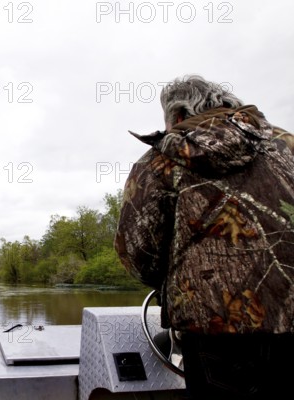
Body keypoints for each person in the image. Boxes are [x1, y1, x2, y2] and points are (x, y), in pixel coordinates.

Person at [114, 75, 294, 399]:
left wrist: (173, 283)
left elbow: (137, 252)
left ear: (179, 116)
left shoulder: (161, 161)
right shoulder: (287, 146)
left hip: (216, 334)